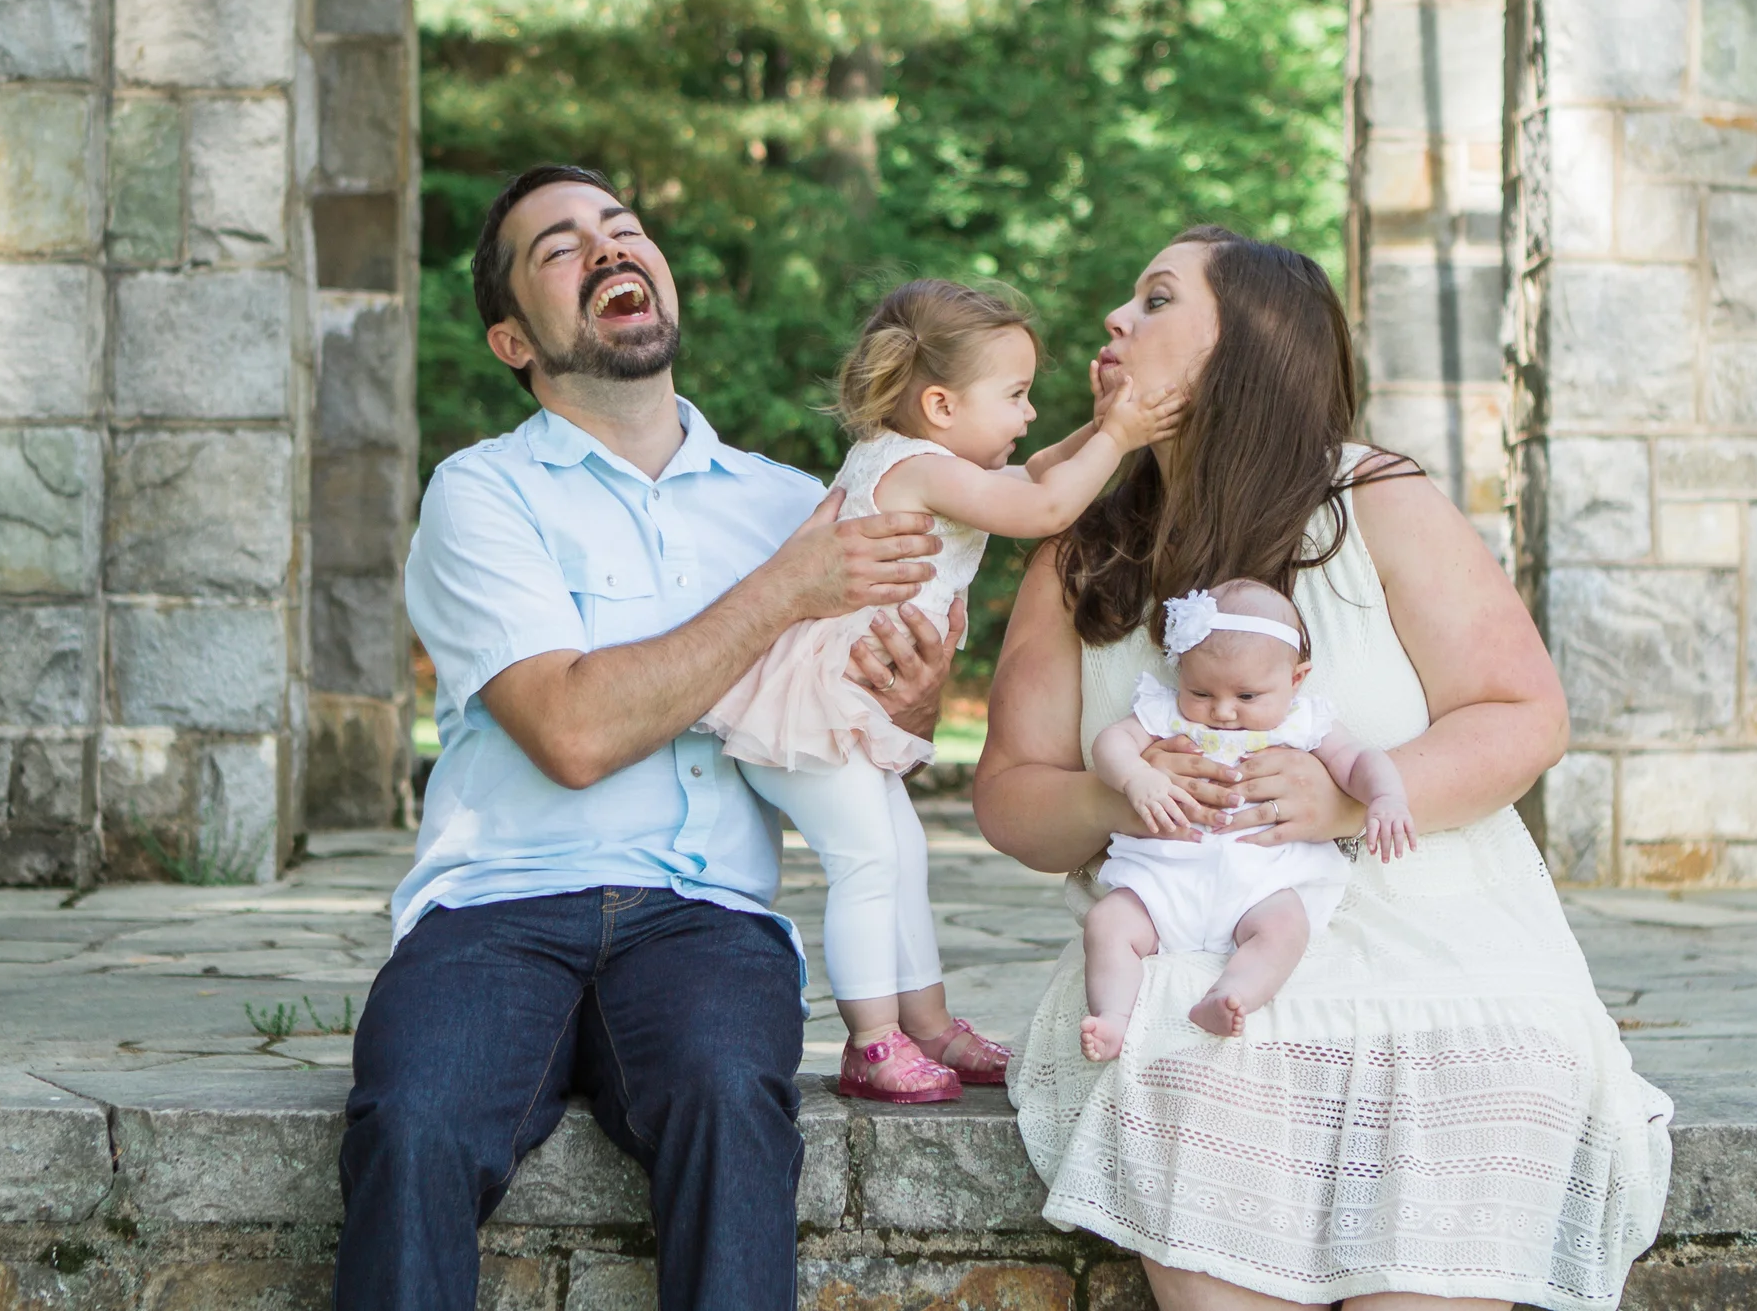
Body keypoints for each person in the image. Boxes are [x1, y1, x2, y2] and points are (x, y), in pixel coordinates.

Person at [976, 226, 1672, 1311]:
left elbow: (1523, 713)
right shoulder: (1080, 551)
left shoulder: (1375, 498)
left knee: (1486, 1070)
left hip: (1437, 945)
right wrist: (1126, 797)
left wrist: (1346, 794)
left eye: (1157, 298)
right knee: (1183, 1062)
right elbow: (1011, 794)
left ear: (1249, 345)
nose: (1115, 317)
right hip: (1196, 955)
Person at [337, 166, 965, 1311]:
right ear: (512, 340)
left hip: (704, 917)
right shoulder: (481, 493)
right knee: (413, 1115)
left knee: (731, 1097)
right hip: (496, 910)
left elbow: (855, 728)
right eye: (560, 247)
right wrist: (782, 592)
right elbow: (571, 731)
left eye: (623, 229)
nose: (609, 248)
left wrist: (911, 696)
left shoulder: (792, 504)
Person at [701, 278, 1182, 1102]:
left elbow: (1042, 470)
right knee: (867, 860)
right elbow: (1047, 505)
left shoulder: (932, 459)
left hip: (844, 702)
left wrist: (1107, 424)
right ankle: (870, 1042)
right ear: (940, 405)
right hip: (815, 704)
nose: (1031, 413)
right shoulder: (918, 468)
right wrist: (1122, 435)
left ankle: (927, 1025)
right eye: (1016, 395)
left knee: (903, 853)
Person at [1079, 578, 1413, 1059]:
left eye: (1248, 696)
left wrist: (1386, 797)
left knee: (1286, 928)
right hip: (1165, 877)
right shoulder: (1165, 711)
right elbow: (1112, 743)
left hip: (1261, 882)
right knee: (1108, 924)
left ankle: (1231, 995)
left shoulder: (1303, 721)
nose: (1222, 711)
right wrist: (1135, 776)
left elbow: (1360, 761)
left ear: (1296, 679)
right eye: (1200, 691)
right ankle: (1113, 1017)